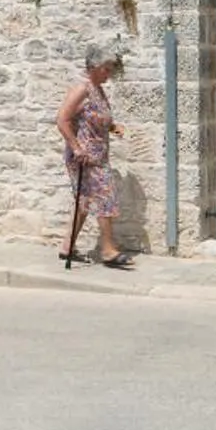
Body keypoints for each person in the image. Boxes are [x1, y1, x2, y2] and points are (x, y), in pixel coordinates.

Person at [57, 40, 131, 269]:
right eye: (106, 69)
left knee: (85, 201)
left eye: (111, 69)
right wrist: (77, 148)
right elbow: (62, 120)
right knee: (105, 197)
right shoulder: (82, 89)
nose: (109, 74)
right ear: (93, 67)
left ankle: (67, 247)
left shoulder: (98, 91)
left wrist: (112, 127)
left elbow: (95, 119)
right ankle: (108, 250)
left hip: (98, 156)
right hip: (85, 159)